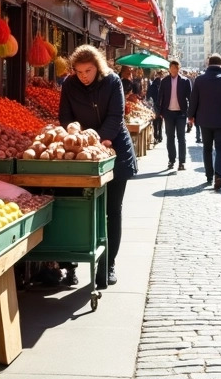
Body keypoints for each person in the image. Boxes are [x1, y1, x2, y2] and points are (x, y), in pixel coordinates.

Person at [59, 45, 138, 284]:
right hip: (81, 150)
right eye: (79, 71)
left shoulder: (113, 81)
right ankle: (69, 266)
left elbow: (116, 115)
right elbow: (65, 116)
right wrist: (76, 138)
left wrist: (102, 140)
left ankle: (108, 264)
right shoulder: (69, 85)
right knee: (73, 207)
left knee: (112, 210)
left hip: (115, 148)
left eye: (88, 70)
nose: (84, 76)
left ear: (97, 67)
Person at [188, 54, 221, 190]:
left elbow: (193, 100)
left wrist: (190, 116)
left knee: (207, 149)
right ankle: (218, 175)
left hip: (204, 121)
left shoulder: (199, 80)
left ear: (208, 64)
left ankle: (209, 176)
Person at [154, 61, 193, 171]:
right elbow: (159, 97)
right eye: (171, 68)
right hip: (168, 113)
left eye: (175, 68)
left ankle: (181, 162)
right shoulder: (164, 81)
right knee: (170, 137)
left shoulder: (185, 81)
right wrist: (159, 112)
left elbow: (190, 98)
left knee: (181, 138)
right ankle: (171, 160)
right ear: (169, 69)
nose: (173, 70)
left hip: (181, 113)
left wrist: (190, 114)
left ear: (178, 69)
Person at [146, 71, 164, 141]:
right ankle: (160, 136)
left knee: (155, 122)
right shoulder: (162, 85)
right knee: (160, 121)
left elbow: (148, 96)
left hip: (154, 106)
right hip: (161, 106)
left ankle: (156, 136)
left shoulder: (152, 86)